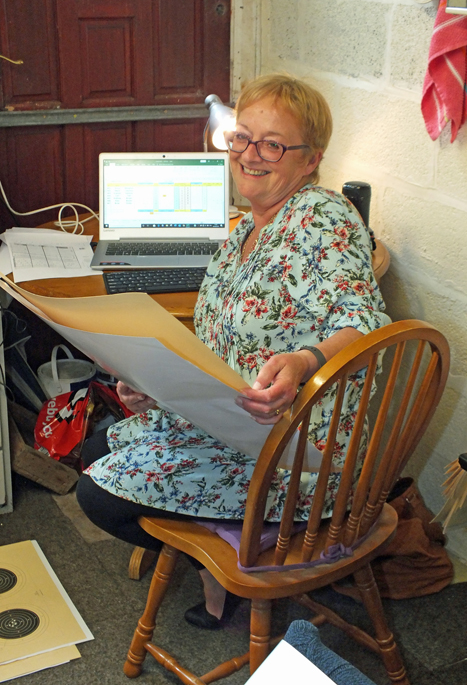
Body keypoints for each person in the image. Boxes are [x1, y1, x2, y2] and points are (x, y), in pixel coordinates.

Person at [76, 73, 390, 629]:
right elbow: (218, 349)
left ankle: (237, 554)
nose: (251, 154)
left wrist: (303, 361)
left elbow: (364, 323)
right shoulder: (241, 232)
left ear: (310, 159)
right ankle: (232, 544)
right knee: (96, 443)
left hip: (299, 447)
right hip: (238, 421)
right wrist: (155, 386)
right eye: (242, 137)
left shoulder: (323, 218)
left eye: (274, 143)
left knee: (97, 496)